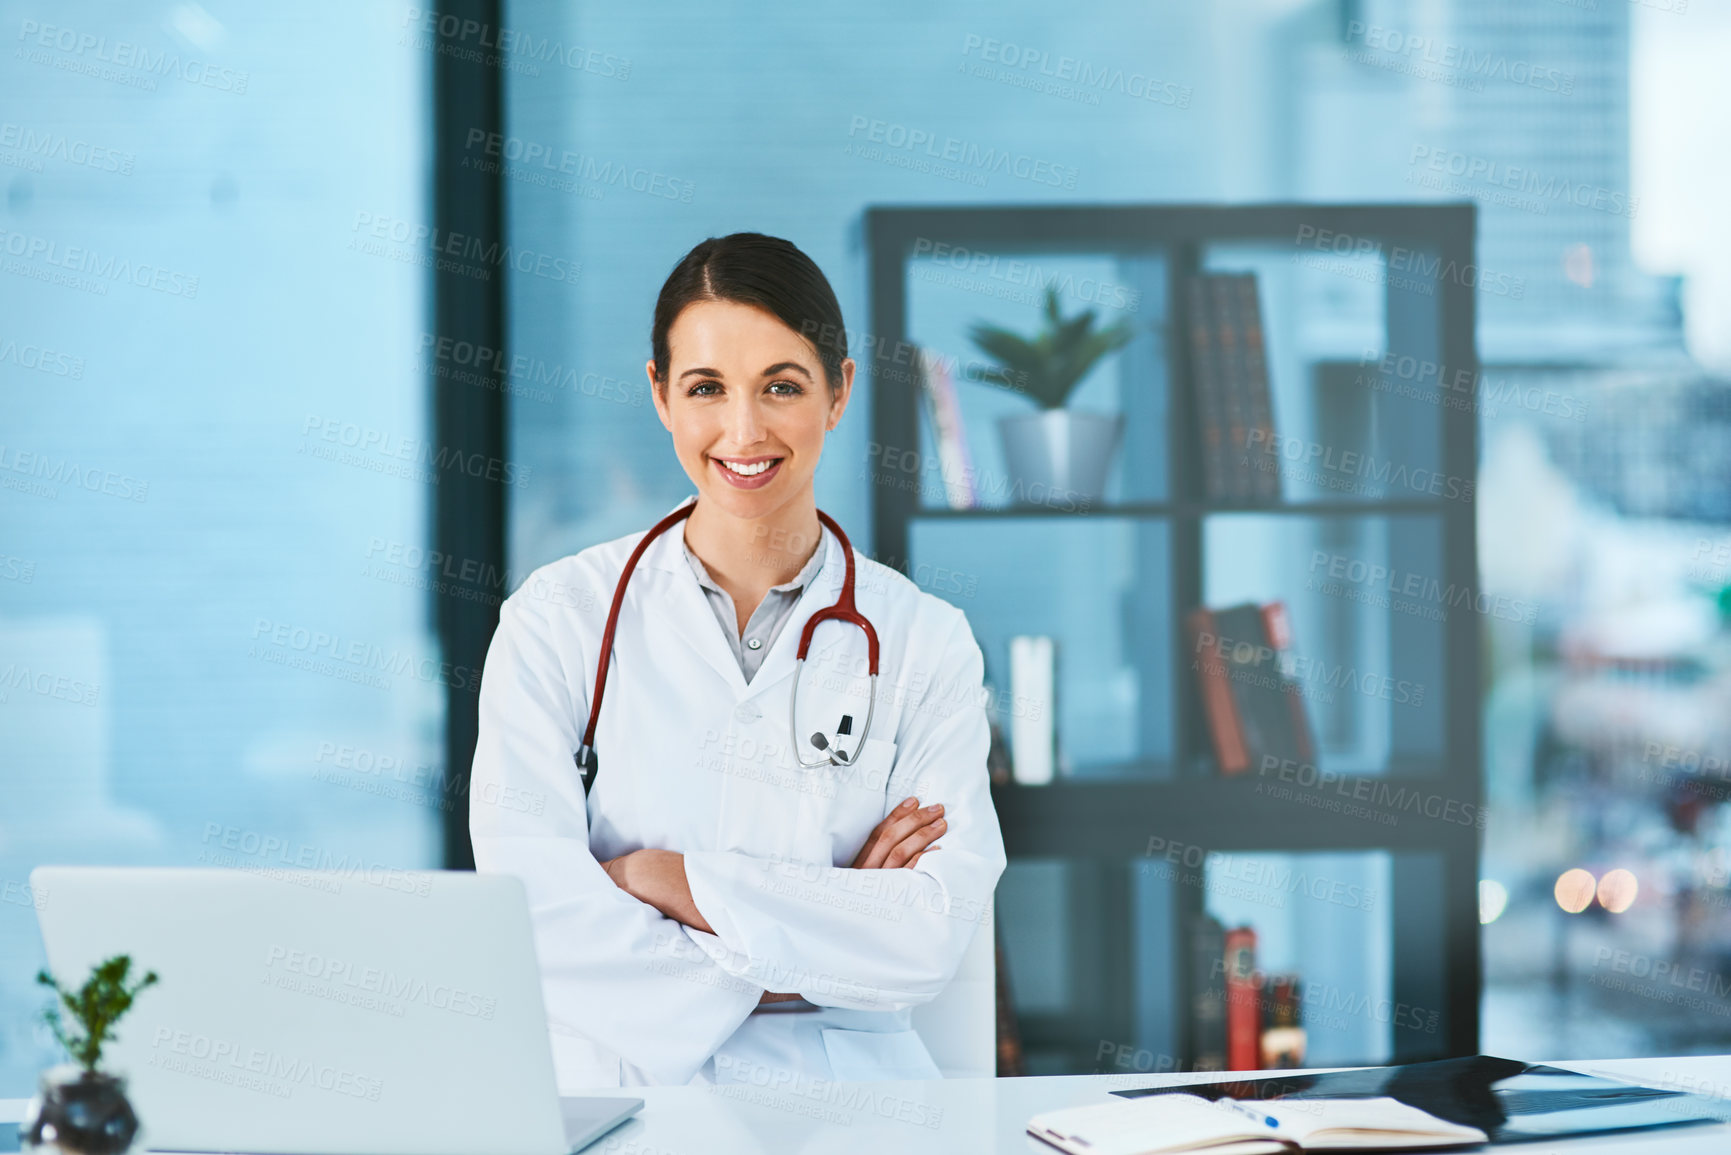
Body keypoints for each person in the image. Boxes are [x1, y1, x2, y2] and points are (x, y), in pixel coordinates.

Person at [469, 232, 1006, 1090]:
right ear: (660, 396)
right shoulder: (557, 618)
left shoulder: (924, 640)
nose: (742, 429)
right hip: (632, 1093)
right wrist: (820, 938)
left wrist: (663, 879)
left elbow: (927, 935)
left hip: (858, 1106)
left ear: (839, 393)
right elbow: (536, 915)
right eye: (706, 388)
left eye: (782, 386)